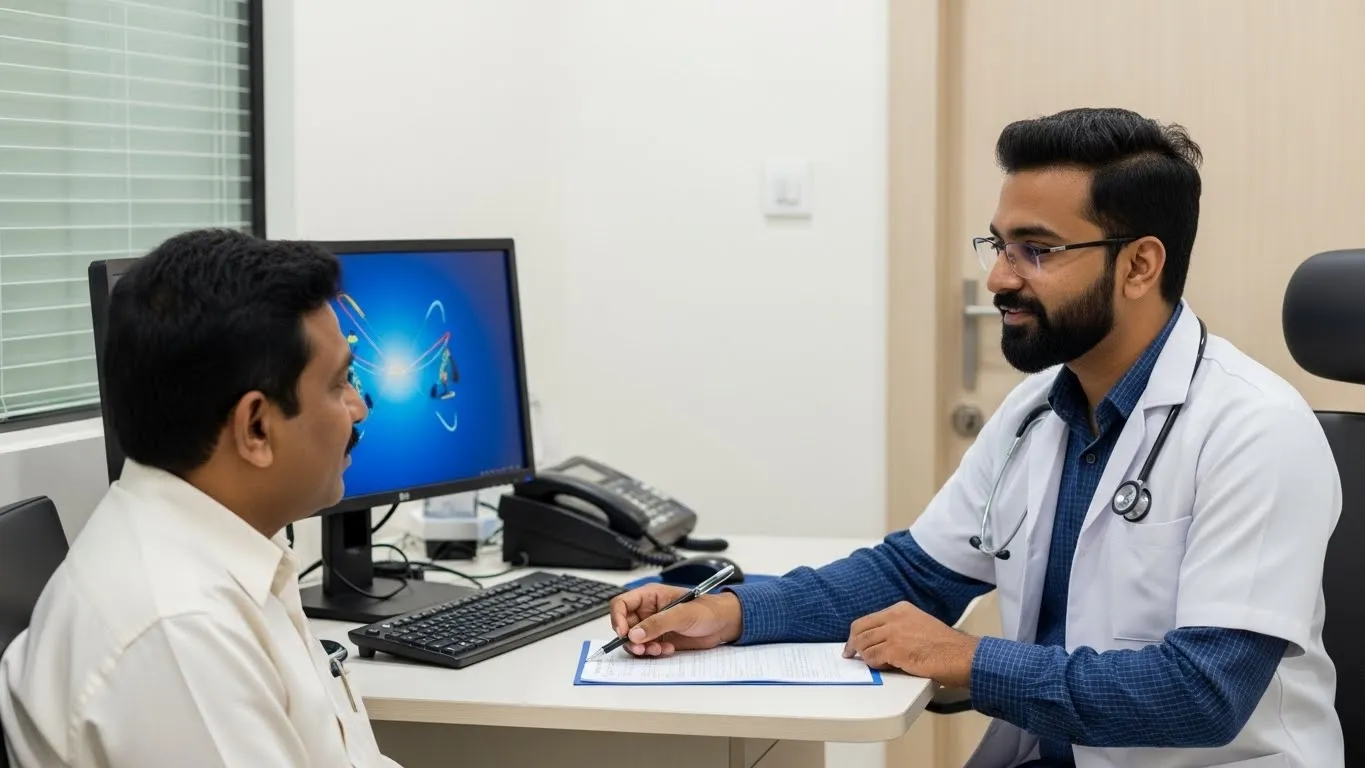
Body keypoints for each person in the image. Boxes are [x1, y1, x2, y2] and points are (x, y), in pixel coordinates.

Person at [607, 108, 1342, 768]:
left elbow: (1203, 693)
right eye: (998, 245)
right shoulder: (1036, 412)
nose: (997, 279)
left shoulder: (1255, 430)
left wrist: (970, 660)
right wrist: (734, 612)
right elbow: (915, 573)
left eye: (1036, 250)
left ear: (1139, 265)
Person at [0, 230, 402, 767]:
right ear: (255, 428)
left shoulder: (232, 552)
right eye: (339, 384)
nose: (358, 408)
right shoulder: (179, 630)